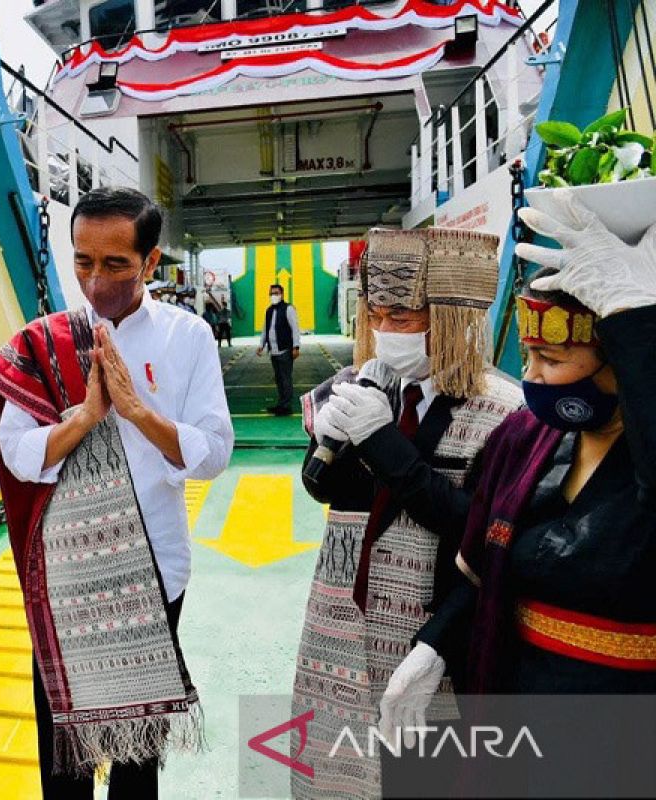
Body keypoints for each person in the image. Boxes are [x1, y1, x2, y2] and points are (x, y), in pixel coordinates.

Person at [0, 187, 233, 798]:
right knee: (64, 753)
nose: (95, 282)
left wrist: (138, 413)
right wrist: (86, 417)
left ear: (150, 262)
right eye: (82, 262)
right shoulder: (41, 342)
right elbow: (17, 453)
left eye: (115, 264)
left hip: (155, 570)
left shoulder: (187, 337)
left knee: (136, 758)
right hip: (66, 579)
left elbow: (214, 451)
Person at [382, 197, 656, 731]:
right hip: (520, 695)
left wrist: (637, 322)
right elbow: (486, 568)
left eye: (551, 360)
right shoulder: (524, 437)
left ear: (625, 361)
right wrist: (433, 646)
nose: (530, 378)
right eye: (527, 357)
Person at [290, 227, 522, 799]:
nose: (385, 333)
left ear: (448, 318)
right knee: (336, 772)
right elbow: (325, 489)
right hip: (341, 624)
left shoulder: (503, 409)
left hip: (431, 639)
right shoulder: (364, 382)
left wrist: (384, 444)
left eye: (403, 318)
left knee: (421, 778)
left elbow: (482, 533)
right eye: (377, 316)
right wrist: (332, 443)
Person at [256, 283, 301, 415]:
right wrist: (261, 345)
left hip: (285, 350)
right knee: (279, 379)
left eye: (276, 293)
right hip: (273, 351)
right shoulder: (269, 310)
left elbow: (295, 328)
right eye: (271, 293)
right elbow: (266, 329)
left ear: (282, 294)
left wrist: (296, 347)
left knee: (286, 378)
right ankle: (281, 404)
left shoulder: (288, 309)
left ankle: (286, 406)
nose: (273, 296)